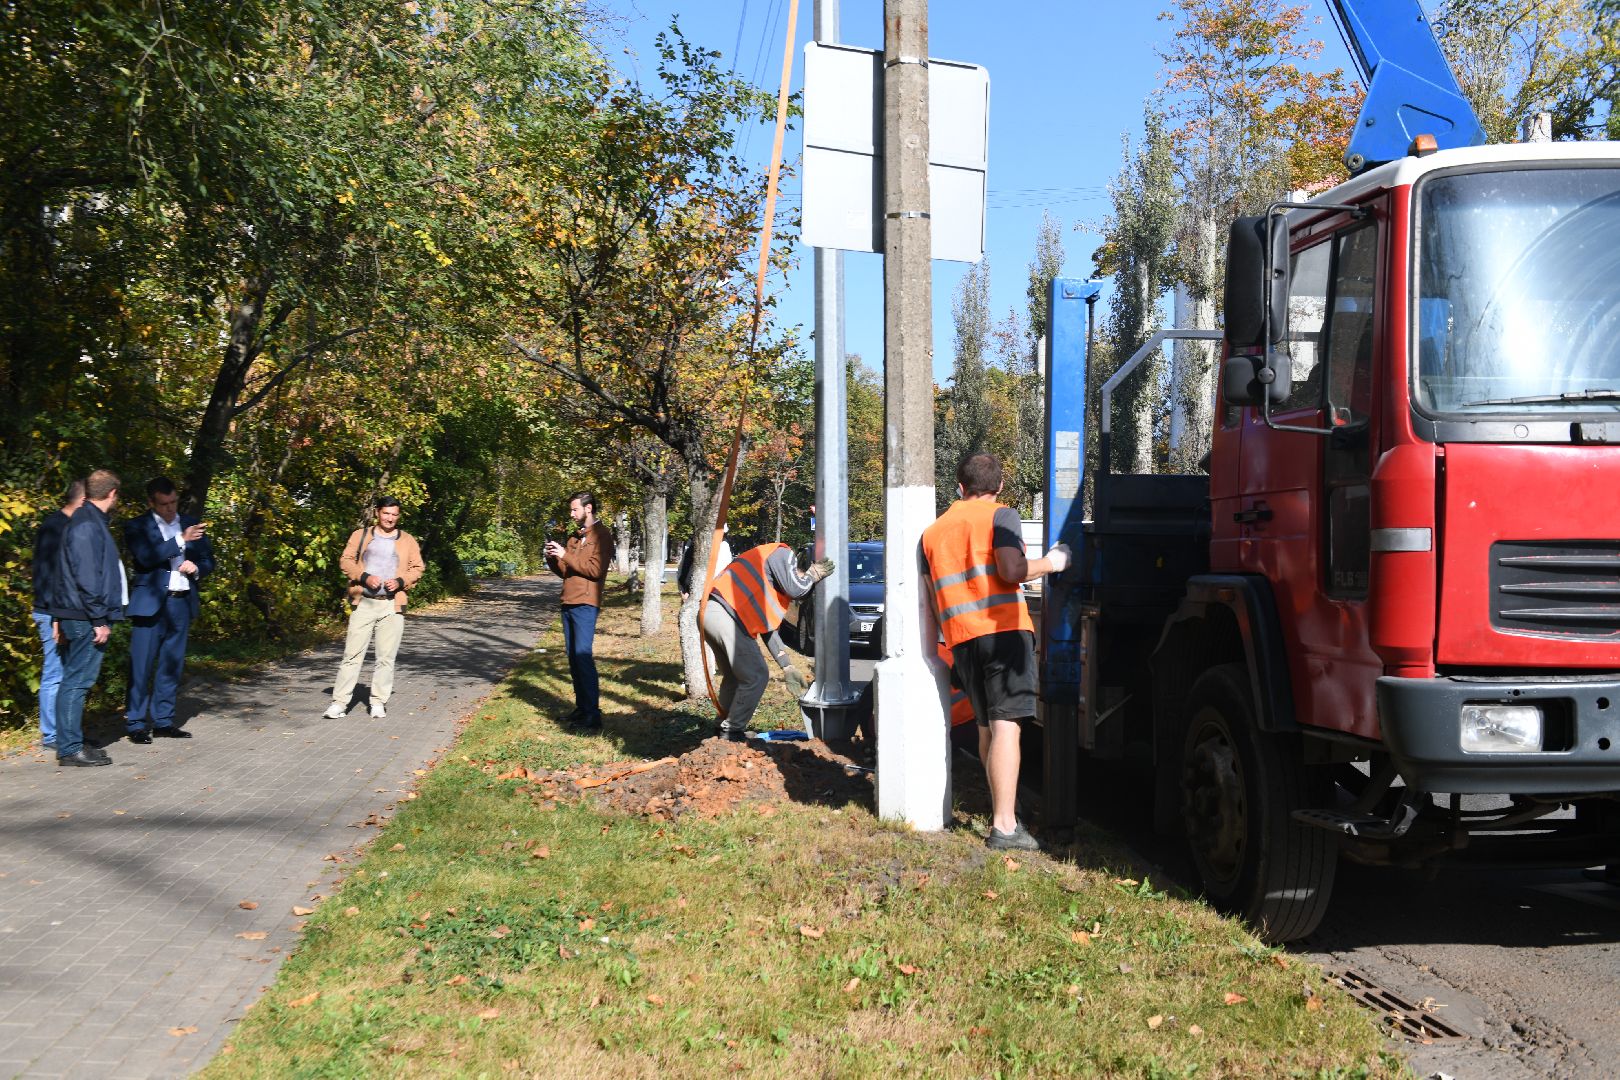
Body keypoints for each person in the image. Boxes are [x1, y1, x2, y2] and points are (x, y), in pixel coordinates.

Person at [921, 452, 1070, 851]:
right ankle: (1005, 827)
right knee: (1008, 725)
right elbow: (1012, 570)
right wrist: (1054, 562)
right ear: (999, 486)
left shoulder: (932, 533)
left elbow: (932, 598)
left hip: (962, 639)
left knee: (987, 726)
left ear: (959, 486)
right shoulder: (1001, 516)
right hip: (1003, 633)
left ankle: (1002, 810)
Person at [702, 540, 833, 741]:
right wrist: (813, 576)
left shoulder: (769, 583)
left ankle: (722, 730)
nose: (797, 599)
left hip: (713, 614)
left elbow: (769, 632)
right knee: (756, 675)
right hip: (725, 614)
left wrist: (787, 667)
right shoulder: (782, 553)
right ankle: (731, 732)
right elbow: (796, 588)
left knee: (736, 677)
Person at [124, 476, 214, 743]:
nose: (171, 508)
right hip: (150, 605)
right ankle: (136, 723)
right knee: (141, 665)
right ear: (151, 502)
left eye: (174, 502)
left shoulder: (190, 524)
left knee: (171, 665)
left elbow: (209, 560)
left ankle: (163, 721)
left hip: (181, 601)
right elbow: (145, 557)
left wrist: (197, 568)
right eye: (164, 504)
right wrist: (180, 540)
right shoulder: (136, 526)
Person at [49, 469, 128, 767]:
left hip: (81, 613)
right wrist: (99, 619)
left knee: (76, 680)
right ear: (112, 493)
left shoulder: (88, 522)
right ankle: (69, 749)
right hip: (85, 616)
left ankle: (73, 741)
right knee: (76, 682)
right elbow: (85, 578)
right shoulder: (86, 525)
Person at [323, 496, 424, 719]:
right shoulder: (361, 536)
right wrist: (364, 576)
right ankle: (339, 703)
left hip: (391, 607)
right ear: (377, 512)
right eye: (386, 513)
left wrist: (400, 582)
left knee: (386, 658)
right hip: (364, 603)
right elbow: (345, 561)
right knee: (352, 655)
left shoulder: (407, 540)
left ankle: (378, 702)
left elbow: (418, 568)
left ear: (398, 516)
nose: (390, 518)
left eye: (394, 514)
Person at [544, 491, 613, 730]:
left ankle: (593, 715)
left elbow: (595, 571)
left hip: (586, 603)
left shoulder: (602, 536)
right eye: (571, 510)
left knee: (583, 657)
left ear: (589, 508)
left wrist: (566, 555)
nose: (571, 514)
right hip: (568, 601)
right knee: (573, 659)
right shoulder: (575, 537)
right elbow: (566, 571)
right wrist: (555, 557)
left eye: (575, 509)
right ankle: (582, 709)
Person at [29, 480, 86, 751]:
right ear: (83, 501)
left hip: (64, 611)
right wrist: (56, 616)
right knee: (55, 673)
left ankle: (65, 732)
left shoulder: (70, 526)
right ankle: (51, 735)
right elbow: (48, 576)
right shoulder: (55, 527)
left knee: (69, 673)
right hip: (51, 612)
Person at [677, 525, 733, 602]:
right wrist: (682, 589)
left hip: (711, 595)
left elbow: (722, 573)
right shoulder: (693, 544)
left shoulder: (723, 546)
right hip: (692, 592)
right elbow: (684, 567)